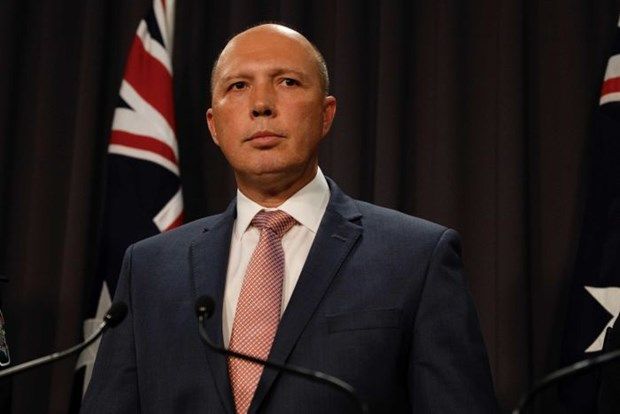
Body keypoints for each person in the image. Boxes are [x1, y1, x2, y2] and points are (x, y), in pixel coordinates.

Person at [82, 23, 497, 413]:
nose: (261, 105)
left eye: (287, 82)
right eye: (238, 86)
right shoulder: (150, 268)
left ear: (326, 114)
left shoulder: (415, 258)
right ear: (214, 125)